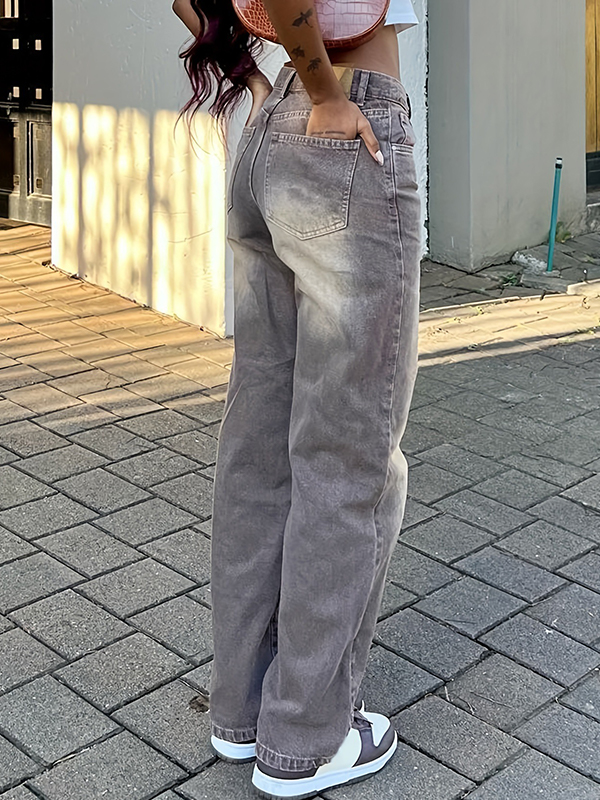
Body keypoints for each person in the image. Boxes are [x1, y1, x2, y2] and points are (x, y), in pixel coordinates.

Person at [172, 1, 422, 797]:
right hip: (338, 120)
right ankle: (308, 739)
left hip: (277, 131)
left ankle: (243, 711)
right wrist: (324, 91)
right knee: (346, 454)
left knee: (261, 448)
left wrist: (268, 81)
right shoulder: (331, 95)